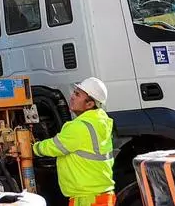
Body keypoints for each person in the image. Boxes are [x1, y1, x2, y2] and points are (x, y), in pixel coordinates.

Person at [33, 77, 115, 206]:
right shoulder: (101, 122)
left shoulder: (80, 127)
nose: (72, 97)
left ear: (90, 104)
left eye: (77, 95)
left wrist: (33, 147)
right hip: (101, 195)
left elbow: (54, 147)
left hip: (87, 198)